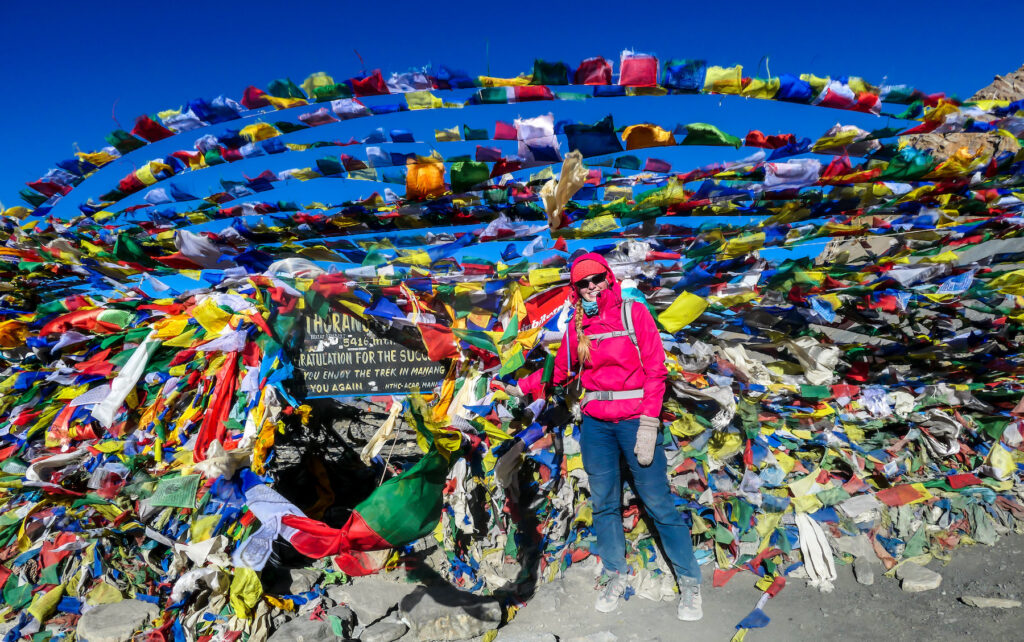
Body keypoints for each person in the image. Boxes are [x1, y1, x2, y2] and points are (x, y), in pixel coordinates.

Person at [500, 252, 703, 620]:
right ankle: (614, 574)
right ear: (575, 289)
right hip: (596, 426)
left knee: (657, 501)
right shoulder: (578, 327)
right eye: (583, 282)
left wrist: (649, 423)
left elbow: (656, 371)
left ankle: (690, 582)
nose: (591, 286)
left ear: (609, 278)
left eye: (597, 278)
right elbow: (559, 372)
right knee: (605, 503)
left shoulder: (633, 313)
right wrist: (521, 388)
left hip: (636, 422)